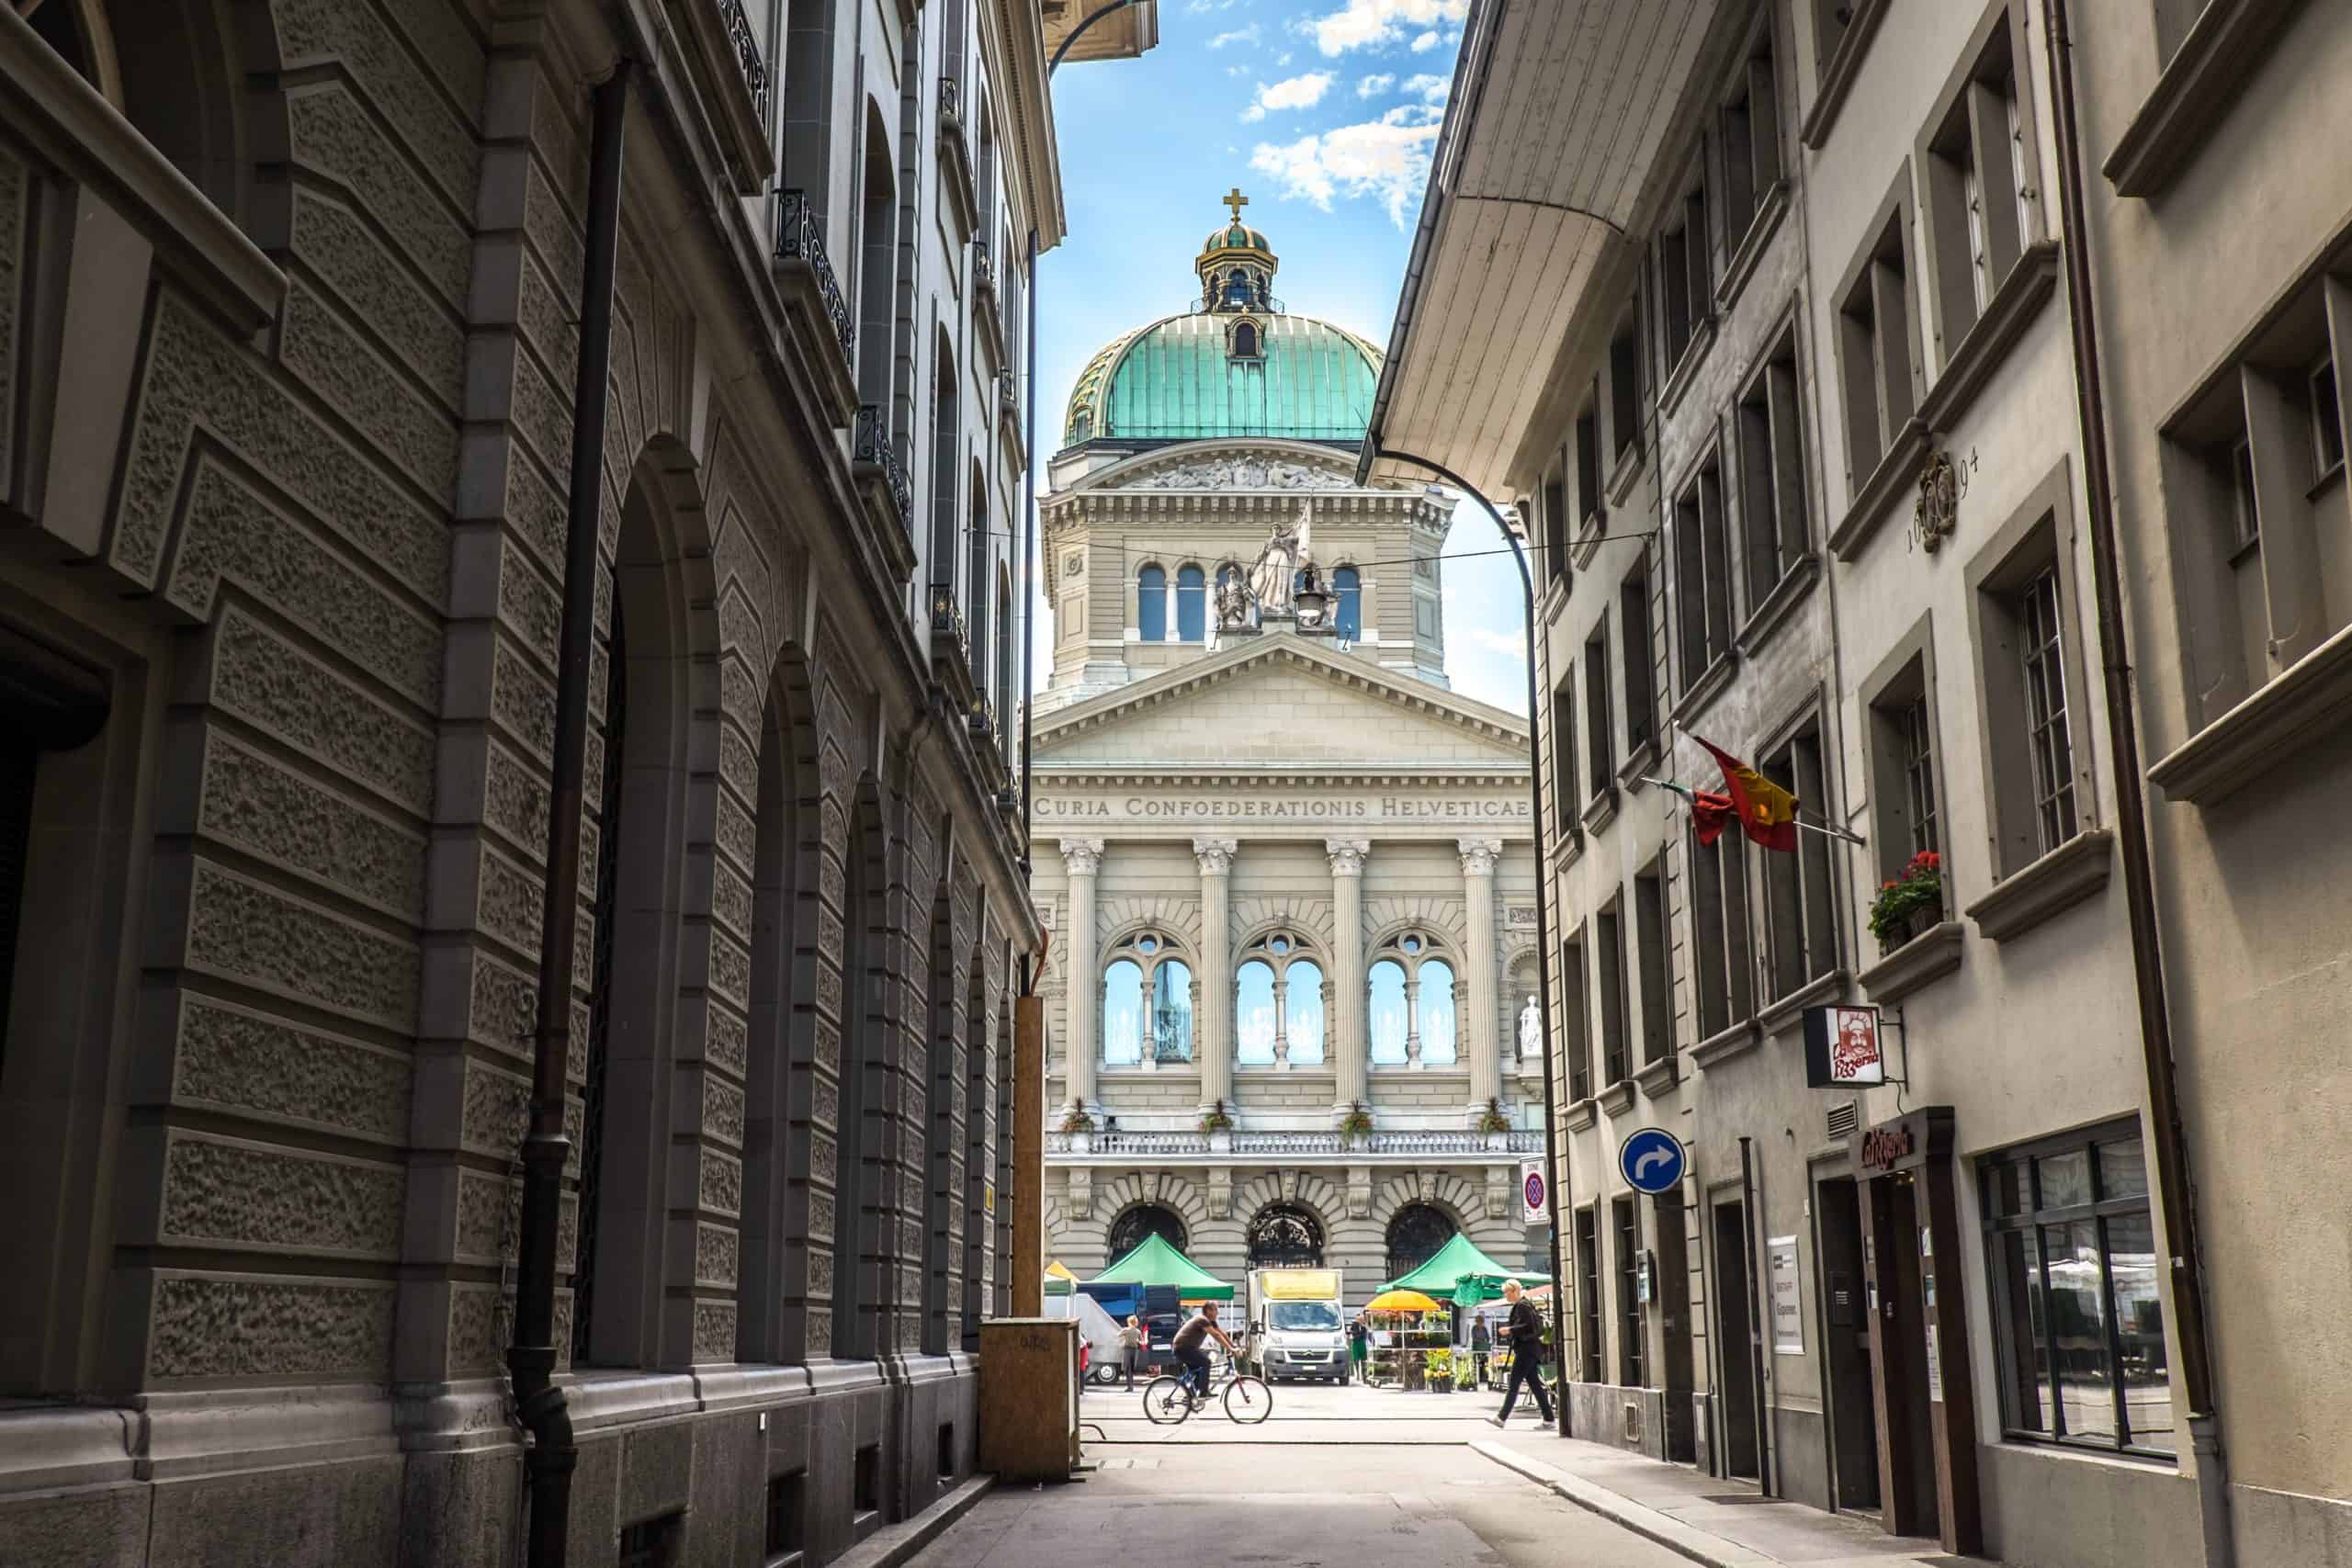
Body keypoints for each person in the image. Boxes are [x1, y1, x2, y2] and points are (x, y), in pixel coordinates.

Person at [1489, 1280, 1554, 1427]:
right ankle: (1549, 1418)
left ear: (1514, 1291)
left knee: (1514, 1383)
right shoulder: (1524, 1304)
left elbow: (1527, 1325)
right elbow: (1529, 1325)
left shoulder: (1522, 1306)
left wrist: (1510, 1330)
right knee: (1535, 1385)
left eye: (1507, 1292)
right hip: (1530, 1350)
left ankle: (1501, 1417)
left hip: (1526, 1350)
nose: (1505, 1295)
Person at [1169, 1301, 1238, 1407]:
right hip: (1182, 1348)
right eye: (1216, 1310)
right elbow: (1216, 1335)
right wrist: (1230, 1349)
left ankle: (1190, 1397)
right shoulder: (1202, 1319)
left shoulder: (1210, 1321)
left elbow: (1222, 1333)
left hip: (1187, 1348)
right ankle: (1203, 1392)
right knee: (1206, 1362)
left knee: (1199, 1371)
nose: (1217, 1313)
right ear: (1208, 1311)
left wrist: (1233, 1346)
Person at [1119, 1314, 1145, 1389]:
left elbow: (1118, 1335)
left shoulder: (1126, 1330)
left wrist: (1123, 1338)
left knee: (1128, 1368)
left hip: (1127, 1350)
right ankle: (1131, 1385)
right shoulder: (1138, 1331)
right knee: (1132, 1369)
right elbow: (1142, 1342)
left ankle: (1130, 1386)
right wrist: (1137, 1341)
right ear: (1136, 1323)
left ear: (1129, 1322)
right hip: (1135, 1351)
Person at [1471, 1312, 1493, 1390]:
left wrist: (1486, 1341)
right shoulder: (1474, 1328)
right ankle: (1476, 1377)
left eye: (1481, 1321)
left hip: (1483, 1346)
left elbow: (1488, 1337)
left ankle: (1484, 1377)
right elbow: (1473, 1337)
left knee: (1484, 1362)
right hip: (1476, 1346)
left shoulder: (1484, 1328)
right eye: (1479, 1321)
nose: (1481, 1323)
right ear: (1477, 1322)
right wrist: (1481, 1340)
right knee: (1476, 1362)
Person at [1349, 1314, 1369, 1385]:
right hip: (1355, 1342)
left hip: (1362, 1343)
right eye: (1359, 1319)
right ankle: (1357, 1374)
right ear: (1356, 1319)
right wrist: (1352, 1335)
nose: (1360, 1320)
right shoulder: (1354, 1324)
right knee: (1356, 1359)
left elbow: (1368, 1332)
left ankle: (1364, 1376)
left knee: (1364, 1360)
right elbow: (1350, 1332)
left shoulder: (1364, 1325)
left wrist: (1365, 1327)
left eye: (1362, 1319)